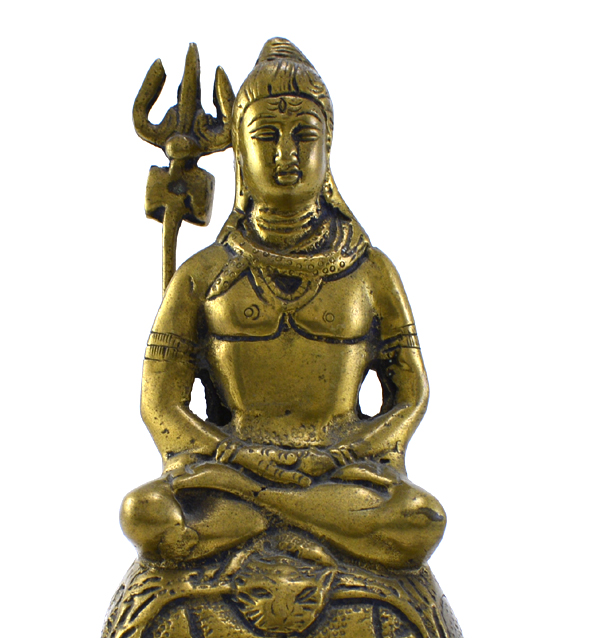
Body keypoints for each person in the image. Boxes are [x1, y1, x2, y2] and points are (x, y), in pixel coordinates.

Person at [120, 38, 446, 570]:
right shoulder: (204, 274)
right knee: (145, 512)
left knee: (420, 519)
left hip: (337, 472)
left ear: (328, 147)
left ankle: (269, 517)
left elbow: (410, 394)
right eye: (266, 136)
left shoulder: (370, 271)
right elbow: (159, 401)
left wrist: (349, 453)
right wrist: (232, 456)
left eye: (304, 136)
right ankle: (308, 522)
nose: (286, 155)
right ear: (240, 152)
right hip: (232, 471)